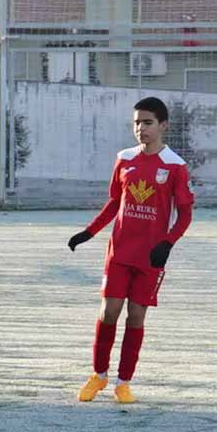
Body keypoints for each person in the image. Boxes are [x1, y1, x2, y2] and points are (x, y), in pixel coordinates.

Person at [67, 96, 194, 404]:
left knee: (135, 317)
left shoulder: (175, 166)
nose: (141, 128)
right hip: (120, 251)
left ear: (163, 125)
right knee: (108, 310)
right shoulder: (124, 158)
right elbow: (114, 202)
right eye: (137, 123)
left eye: (147, 123)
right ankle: (98, 375)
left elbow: (186, 214)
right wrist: (89, 232)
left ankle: (123, 383)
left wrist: (167, 243)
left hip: (150, 256)